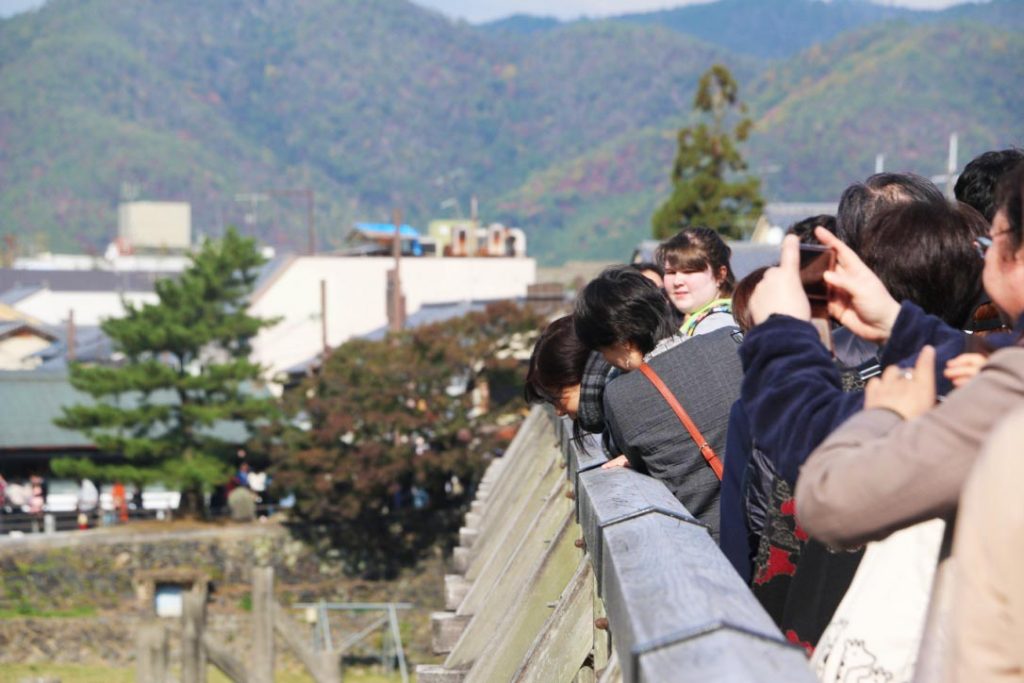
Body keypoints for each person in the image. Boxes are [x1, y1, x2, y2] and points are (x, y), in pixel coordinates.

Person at [793, 162, 1024, 548]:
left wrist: (780, 338)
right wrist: (897, 325)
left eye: (991, 241)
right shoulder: (984, 360)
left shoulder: (1000, 383)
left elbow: (827, 501)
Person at [574, 266, 743, 536]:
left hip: (712, 542)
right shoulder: (729, 341)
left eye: (603, 350)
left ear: (623, 341)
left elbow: (633, 455)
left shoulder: (621, 396)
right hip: (775, 520)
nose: (606, 360)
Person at [655, 228, 738, 338]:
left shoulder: (716, 326)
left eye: (689, 271)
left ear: (720, 275)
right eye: (670, 272)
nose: (677, 281)